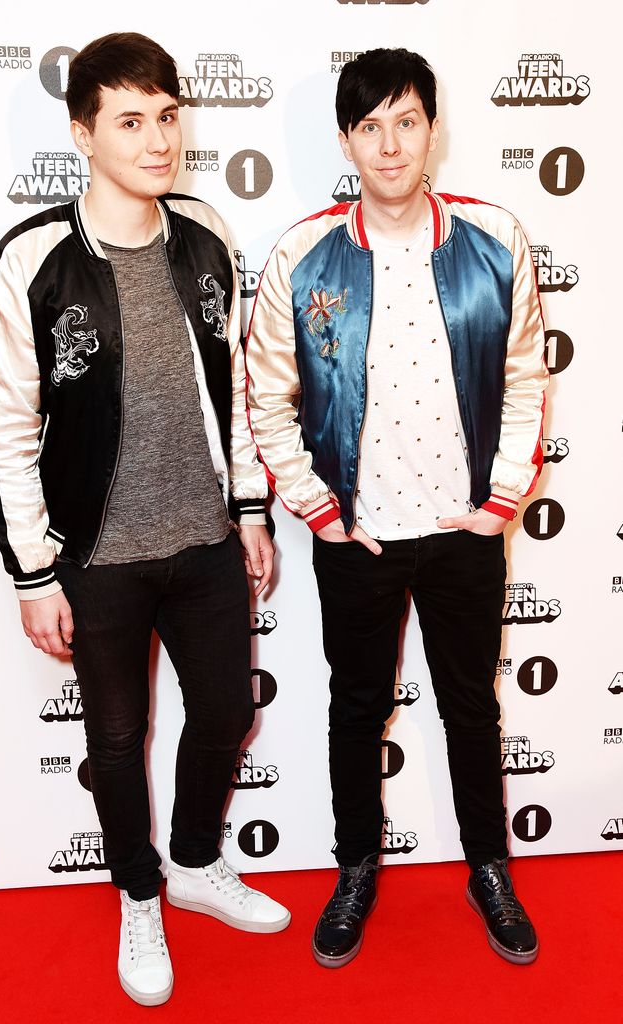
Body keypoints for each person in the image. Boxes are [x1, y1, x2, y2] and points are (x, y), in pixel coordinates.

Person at [0, 31, 289, 1008]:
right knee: (116, 742)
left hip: (202, 541)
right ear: (82, 133)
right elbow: (8, 423)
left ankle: (195, 862)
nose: (157, 140)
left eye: (166, 117)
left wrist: (249, 509)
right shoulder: (32, 257)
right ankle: (140, 893)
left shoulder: (205, 232)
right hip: (98, 556)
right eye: (130, 121)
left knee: (229, 711)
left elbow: (238, 386)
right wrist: (33, 571)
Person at [246, 47, 547, 968]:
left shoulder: (496, 239)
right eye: (369, 126)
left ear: (433, 129)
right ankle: (354, 867)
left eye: (405, 121)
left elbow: (527, 379)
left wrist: (498, 504)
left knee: (470, 709)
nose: (389, 144)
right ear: (346, 139)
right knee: (355, 709)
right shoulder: (303, 255)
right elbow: (266, 398)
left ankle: (488, 866)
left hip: (463, 532)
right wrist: (321, 513)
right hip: (360, 537)